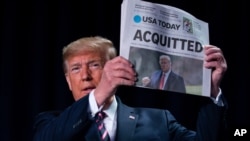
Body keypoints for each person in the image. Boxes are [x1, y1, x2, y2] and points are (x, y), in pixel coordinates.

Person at [33, 36, 228, 141]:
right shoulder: (50, 123)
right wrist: (99, 94)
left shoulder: (159, 120)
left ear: (116, 66)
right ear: (68, 81)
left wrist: (211, 92)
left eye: (94, 65)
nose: (85, 76)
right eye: (76, 69)